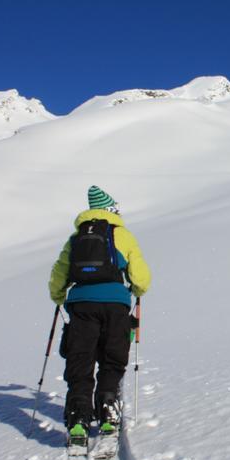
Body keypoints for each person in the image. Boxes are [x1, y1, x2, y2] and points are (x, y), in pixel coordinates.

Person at [48, 185, 151, 436]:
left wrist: (59, 296)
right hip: (116, 304)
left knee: (80, 358)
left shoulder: (76, 239)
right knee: (112, 356)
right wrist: (138, 290)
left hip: (81, 304)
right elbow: (140, 274)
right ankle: (107, 407)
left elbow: (59, 273)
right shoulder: (121, 235)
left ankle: (78, 414)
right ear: (111, 210)